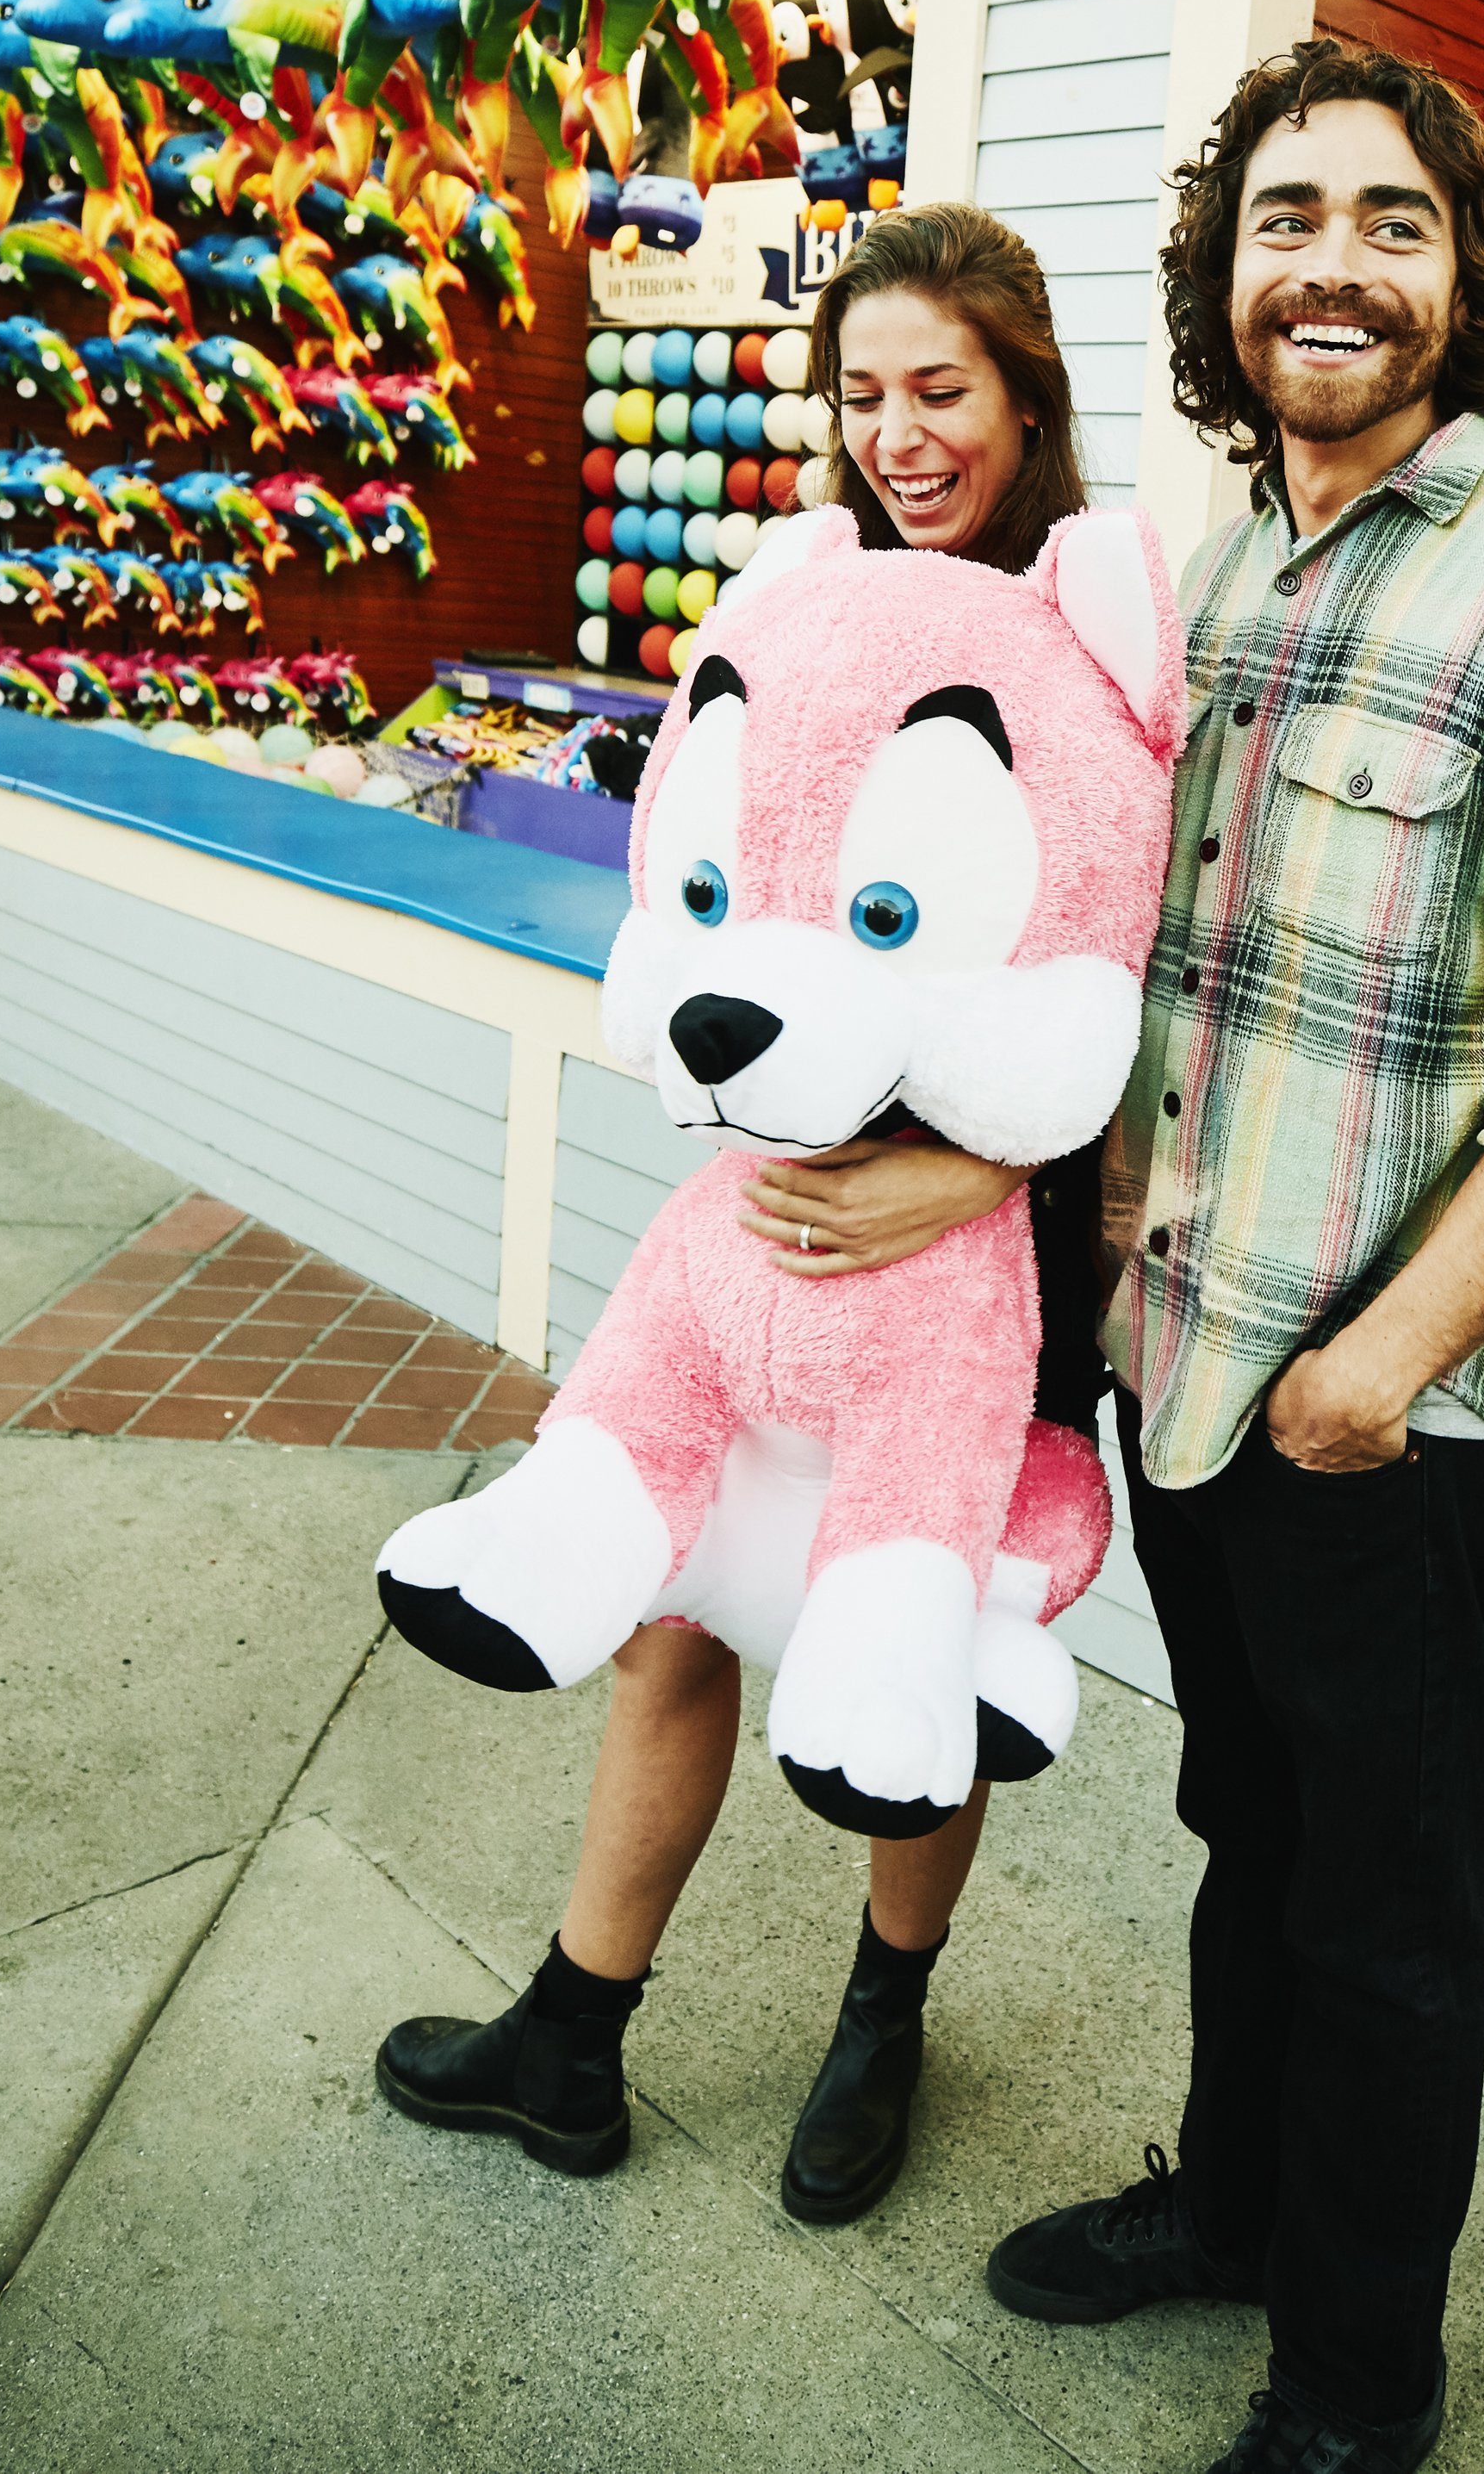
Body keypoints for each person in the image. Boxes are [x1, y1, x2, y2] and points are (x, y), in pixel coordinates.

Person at [981, 40, 1484, 2474]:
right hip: (1175, 1365)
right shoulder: (1212, 574)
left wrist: (1370, 1373)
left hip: (1379, 1419)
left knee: (1386, 1917)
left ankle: (1356, 2380)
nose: (1336, 261)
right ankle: (1239, 2212)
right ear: (1221, 275)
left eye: (1396, 222)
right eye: (1289, 215)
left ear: (1469, 279)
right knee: (1249, 1835)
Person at [375, 200, 1115, 2227]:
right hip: (784, 1209)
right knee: (672, 1615)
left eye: (940, 390)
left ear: (1023, 393)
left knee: (924, 1624)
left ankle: (884, 2015)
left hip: (1005, 1237)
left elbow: (1156, 957)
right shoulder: (805, 600)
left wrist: (981, 1164)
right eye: (862, 393)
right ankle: (572, 2029)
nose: (900, 432)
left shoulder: (1086, 619)